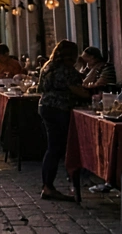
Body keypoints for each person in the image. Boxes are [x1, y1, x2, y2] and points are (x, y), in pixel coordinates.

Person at [38, 40, 89, 201]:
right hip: (60, 109)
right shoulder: (67, 70)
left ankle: (47, 185)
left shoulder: (48, 66)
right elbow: (78, 91)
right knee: (62, 147)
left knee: (52, 147)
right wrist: (91, 96)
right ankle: (54, 186)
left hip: (45, 106)